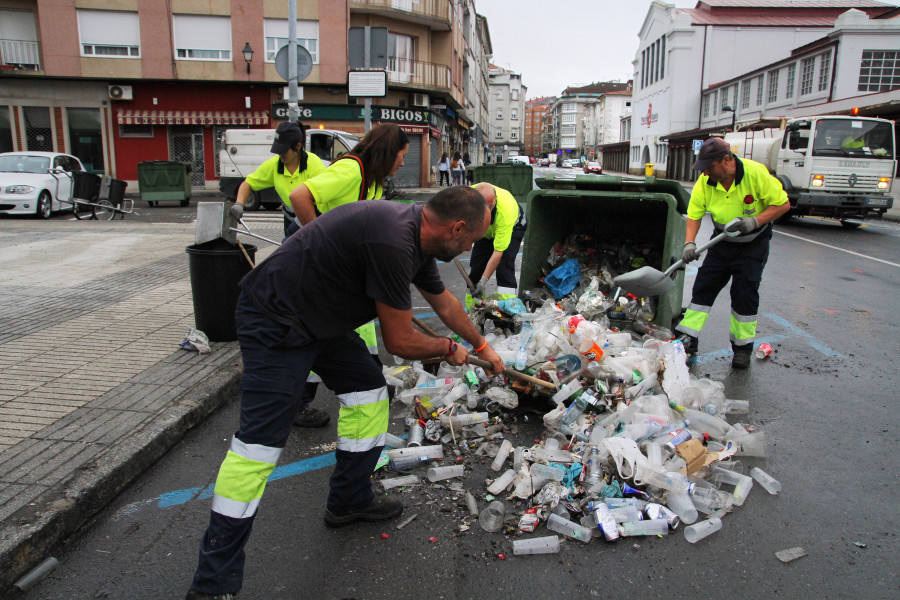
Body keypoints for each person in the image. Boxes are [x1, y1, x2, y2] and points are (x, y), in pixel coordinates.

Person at [185, 188, 503, 600]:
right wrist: (446, 349)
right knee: (257, 448)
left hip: (320, 320)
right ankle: (211, 584)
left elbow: (444, 305)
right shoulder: (393, 242)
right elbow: (400, 340)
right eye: (472, 240)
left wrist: (482, 347)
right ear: (456, 228)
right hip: (275, 317)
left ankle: (349, 499)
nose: (470, 247)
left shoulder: (421, 240)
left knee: (368, 391)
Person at [284, 123, 410, 428]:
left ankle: (368, 383)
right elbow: (299, 197)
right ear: (388, 152)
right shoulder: (351, 171)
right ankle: (301, 403)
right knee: (322, 332)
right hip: (312, 255)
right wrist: (324, 243)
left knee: (341, 332)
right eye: (402, 155)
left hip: (337, 265)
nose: (403, 162)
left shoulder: (374, 183)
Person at [676, 137, 790, 369]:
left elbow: (783, 205)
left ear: (726, 160)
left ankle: (742, 350)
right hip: (722, 241)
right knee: (703, 289)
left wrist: (755, 221)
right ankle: (688, 339)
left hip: (753, 243)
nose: (705, 173)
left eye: (709, 167)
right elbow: (695, 215)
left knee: (744, 294)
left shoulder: (755, 174)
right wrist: (689, 243)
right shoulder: (705, 182)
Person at [229, 121, 325, 239]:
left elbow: (325, 197)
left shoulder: (314, 165)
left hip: (312, 217)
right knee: (290, 252)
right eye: (278, 149)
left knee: (294, 248)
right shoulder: (274, 165)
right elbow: (248, 183)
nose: (280, 154)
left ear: (298, 146)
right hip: (290, 218)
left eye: (284, 150)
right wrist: (239, 204)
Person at [465, 182, 527, 310]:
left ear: (495, 200)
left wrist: (483, 282)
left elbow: (498, 252)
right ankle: (473, 311)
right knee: (476, 269)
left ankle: (506, 311)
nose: (488, 212)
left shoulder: (506, 212)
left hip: (514, 227)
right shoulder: (464, 197)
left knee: (504, 267)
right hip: (486, 232)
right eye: (483, 209)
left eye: (491, 207)